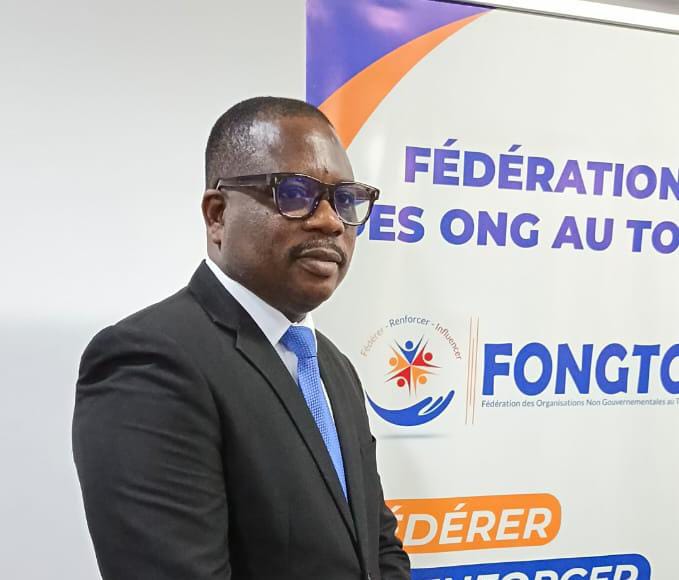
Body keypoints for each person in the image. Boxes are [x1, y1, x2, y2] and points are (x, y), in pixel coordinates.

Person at [72, 96, 410, 580]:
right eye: (295, 193)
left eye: (345, 199)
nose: (331, 221)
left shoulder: (333, 368)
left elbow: (379, 548)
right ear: (217, 216)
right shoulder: (150, 363)